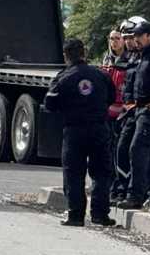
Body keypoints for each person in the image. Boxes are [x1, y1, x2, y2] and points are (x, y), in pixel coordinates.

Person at [43, 38, 116, 227]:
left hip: (74, 130)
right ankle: (100, 215)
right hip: (99, 128)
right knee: (101, 173)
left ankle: (75, 215)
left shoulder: (62, 78)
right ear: (84, 53)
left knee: (74, 173)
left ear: (66, 56)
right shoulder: (100, 75)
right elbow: (111, 98)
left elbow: (50, 105)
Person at [119, 21, 150, 211]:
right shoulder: (142, 56)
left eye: (139, 36)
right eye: (134, 37)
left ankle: (135, 196)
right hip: (138, 110)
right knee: (146, 154)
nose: (135, 40)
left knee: (137, 150)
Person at [108, 21, 142, 203]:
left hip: (136, 112)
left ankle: (130, 191)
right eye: (124, 38)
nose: (126, 42)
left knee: (131, 151)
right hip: (120, 112)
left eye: (129, 38)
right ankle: (118, 188)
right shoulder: (115, 60)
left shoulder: (145, 58)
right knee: (117, 151)